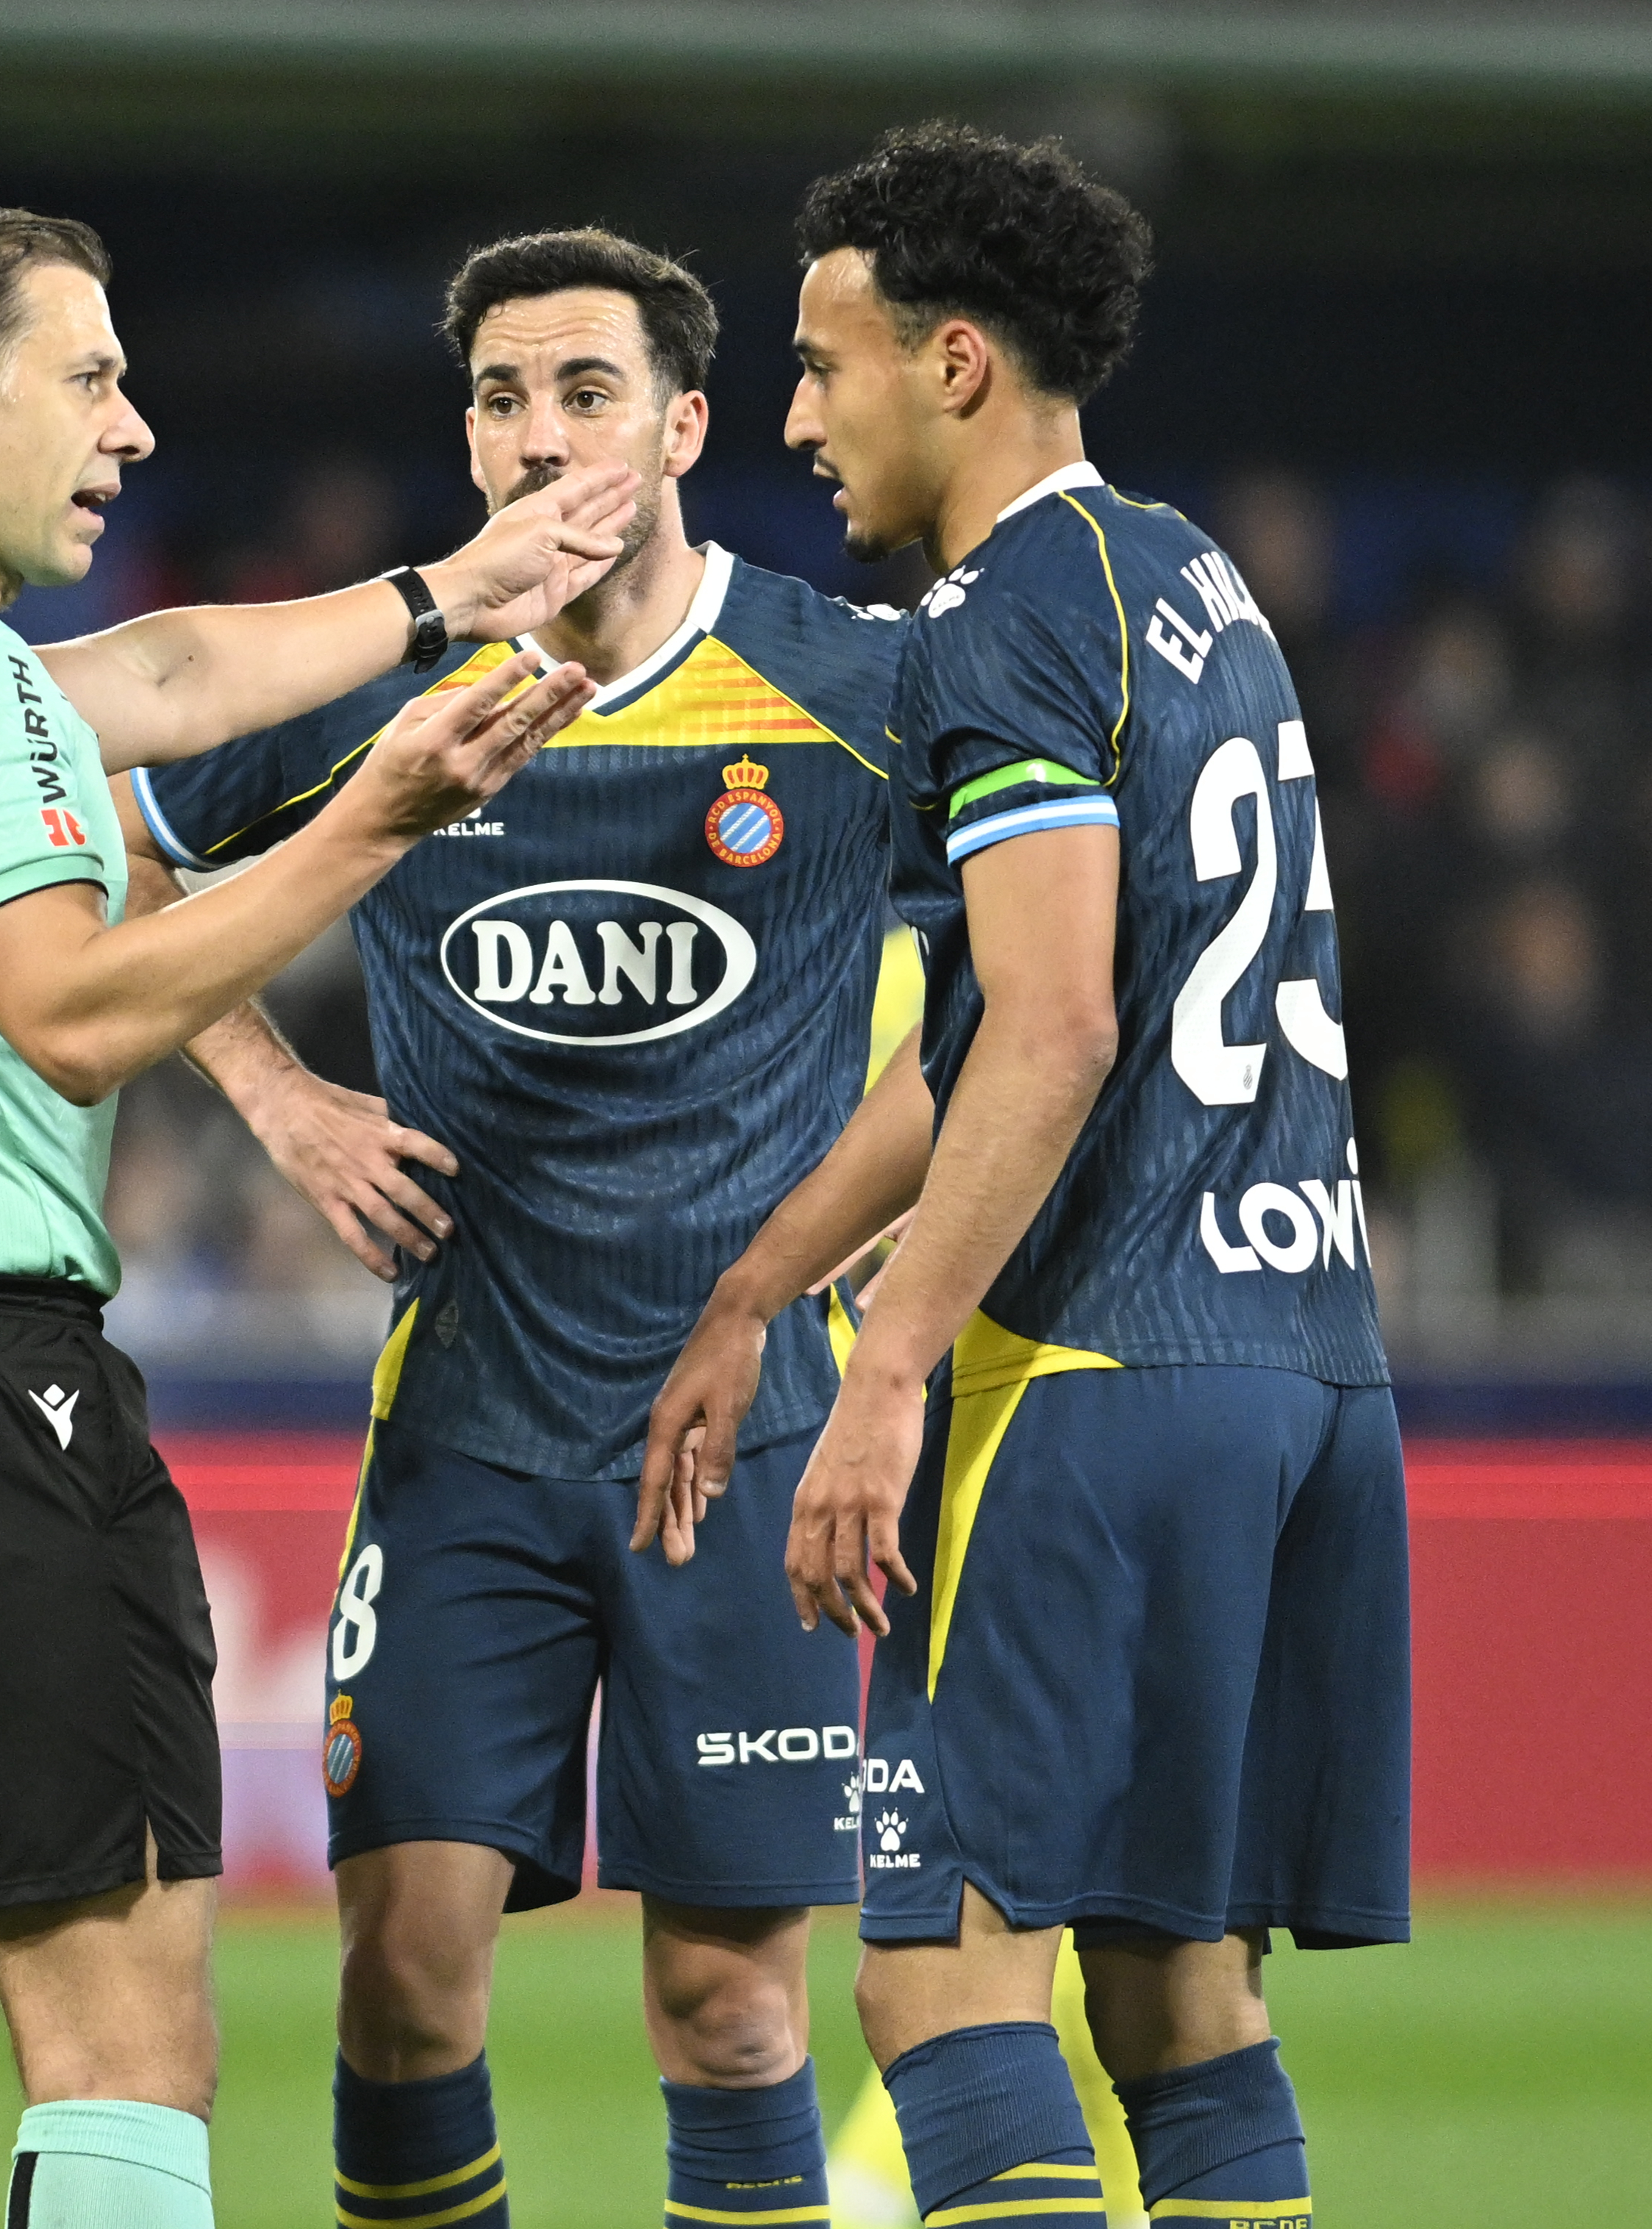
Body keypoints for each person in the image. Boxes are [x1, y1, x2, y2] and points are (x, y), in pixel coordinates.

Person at [0, 204, 632, 2229]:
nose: (131, 426)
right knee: (122, 2054)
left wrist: (444, 592)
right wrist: (376, 818)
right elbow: (78, 1013)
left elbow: (177, 672)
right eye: (87, 378)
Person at [653, 123, 1402, 2229]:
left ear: (954, 362)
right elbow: (1007, 1039)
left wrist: (881, 1372)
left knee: (934, 1987)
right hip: (1303, 1365)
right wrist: (755, 1289)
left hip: (1095, 1378)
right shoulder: (1185, 580)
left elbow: (1056, 1025)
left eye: (822, 362)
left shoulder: (994, 621)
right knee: (1172, 1990)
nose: (793, 418)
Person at [120, 227, 904, 2229]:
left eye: (582, 391)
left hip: (746, 1448)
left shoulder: (844, 688)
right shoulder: (386, 677)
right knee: (397, 1980)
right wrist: (283, 1102)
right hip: (465, 1432)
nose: (539, 436)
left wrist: (907, 1223)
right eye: (497, 396)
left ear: (681, 423)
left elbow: (1037, 981)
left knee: (729, 2009)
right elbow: (105, 841)